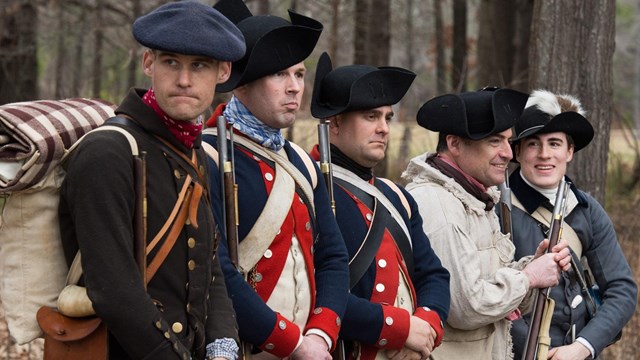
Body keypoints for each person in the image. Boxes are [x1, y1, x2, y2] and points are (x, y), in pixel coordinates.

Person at [58, 2, 246, 359]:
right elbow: (114, 291)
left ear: (223, 72)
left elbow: (210, 271)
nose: (184, 80)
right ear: (149, 64)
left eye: (199, 66)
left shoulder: (196, 153)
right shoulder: (108, 152)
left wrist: (222, 345)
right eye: (171, 62)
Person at [202, 1, 350, 359]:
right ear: (241, 86)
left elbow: (332, 256)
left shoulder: (300, 161)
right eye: (279, 75)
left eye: (299, 74)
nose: (294, 87)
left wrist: (321, 334)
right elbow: (215, 270)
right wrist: (294, 344)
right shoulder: (206, 155)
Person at [401, 87, 572, 360]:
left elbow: (492, 290)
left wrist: (532, 266)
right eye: (495, 141)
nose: (508, 153)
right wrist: (528, 278)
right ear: (454, 144)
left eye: (508, 141)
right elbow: (465, 306)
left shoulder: (472, 197)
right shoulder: (438, 205)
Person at [308, 52, 451, 360]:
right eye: (371, 117)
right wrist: (398, 328)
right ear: (333, 123)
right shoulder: (309, 187)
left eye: (387, 117)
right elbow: (314, 292)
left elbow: (434, 275)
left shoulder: (396, 196)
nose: (384, 128)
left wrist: (425, 324)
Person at [507, 90, 638, 360]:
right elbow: (487, 299)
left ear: (570, 152)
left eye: (554, 144)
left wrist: (583, 347)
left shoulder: (587, 209)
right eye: (533, 144)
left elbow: (622, 290)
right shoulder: (498, 209)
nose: (544, 154)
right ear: (517, 152)